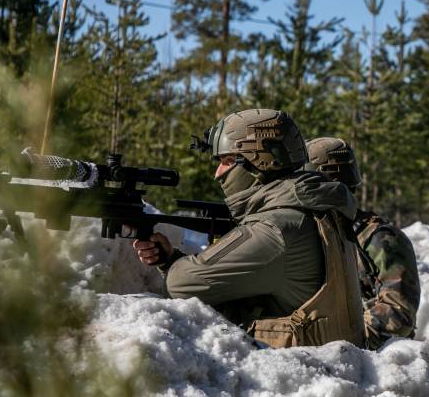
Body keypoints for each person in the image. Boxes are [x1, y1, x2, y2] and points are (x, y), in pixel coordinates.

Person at [133, 109, 365, 348]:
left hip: (296, 374)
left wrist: (172, 263)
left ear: (260, 162)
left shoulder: (278, 228)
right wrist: (171, 258)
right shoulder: (317, 211)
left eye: (227, 161)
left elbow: (181, 284)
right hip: (324, 366)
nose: (218, 173)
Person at [305, 137, 421, 350]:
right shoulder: (312, 232)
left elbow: (398, 313)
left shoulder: (379, 238)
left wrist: (335, 343)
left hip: (372, 361)